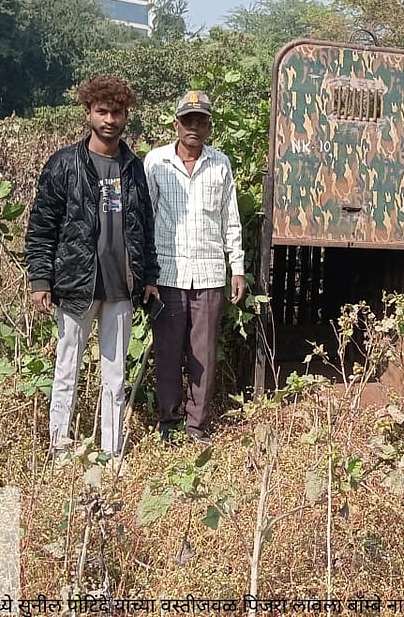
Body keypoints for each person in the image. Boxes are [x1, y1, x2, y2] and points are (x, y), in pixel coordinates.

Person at [24, 75, 160, 460]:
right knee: (67, 369)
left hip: (121, 288)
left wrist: (149, 276)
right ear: (88, 113)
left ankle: (113, 453)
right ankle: (60, 448)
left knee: (114, 377)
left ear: (126, 115)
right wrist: (40, 278)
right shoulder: (64, 164)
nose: (110, 120)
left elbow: (144, 227)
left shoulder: (134, 168)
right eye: (102, 111)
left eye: (117, 112)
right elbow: (41, 226)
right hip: (75, 285)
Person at [144, 91, 246, 445]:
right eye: (187, 120)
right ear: (176, 124)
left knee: (202, 355)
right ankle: (169, 423)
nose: (194, 127)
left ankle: (195, 426)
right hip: (167, 275)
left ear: (209, 126)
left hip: (209, 274)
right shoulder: (155, 163)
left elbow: (230, 219)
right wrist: (146, 274)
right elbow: (144, 220)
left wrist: (237, 268)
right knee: (168, 352)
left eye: (200, 120)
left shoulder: (220, 164)